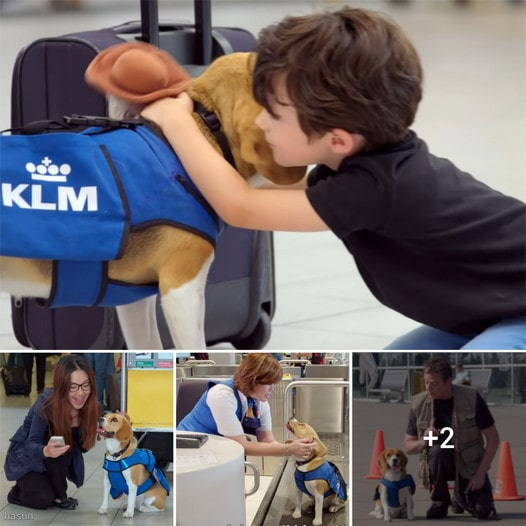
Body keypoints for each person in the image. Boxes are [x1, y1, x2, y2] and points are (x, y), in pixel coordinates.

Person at [140, 7, 526, 350]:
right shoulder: (366, 163)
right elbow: (262, 191)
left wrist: (176, 122)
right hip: (488, 310)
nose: (259, 122)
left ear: (336, 139)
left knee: (481, 373)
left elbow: (241, 206)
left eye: (272, 113)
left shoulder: (374, 189)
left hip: (516, 307)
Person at [402, 357, 500, 519]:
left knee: (482, 511)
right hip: (440, 463)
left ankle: (459, 497)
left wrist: (480, 474)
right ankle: (440, 501)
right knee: (438, 451)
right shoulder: (419, 404)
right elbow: (407, 446)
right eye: (426, 383)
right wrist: (424, 440)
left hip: (469, 465)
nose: (429, 388)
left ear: (449, 381)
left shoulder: (471, 398)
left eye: (434, 383)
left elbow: (493, 439)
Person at [5, 354, 102, 510]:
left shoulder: (92, 406)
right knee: (43, 499)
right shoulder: (46, 403)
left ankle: (58, 493)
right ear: (62, 386)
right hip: (29, 458)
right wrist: (45, 450)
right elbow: (31, 444)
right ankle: (16, 492)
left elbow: (83, 447)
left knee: (63, 443)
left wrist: (107, 428)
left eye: (86, 385)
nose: (80, 393)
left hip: (55, 461)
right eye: (73, 386)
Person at [177, 353, 316, 458]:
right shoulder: (222, 395)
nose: (272, 389)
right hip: (189, 448)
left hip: (217, 449)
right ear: (252, 379)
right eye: (268, 383)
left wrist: (296, 448)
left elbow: (267, 440)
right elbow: (241, 446)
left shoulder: (259, 402)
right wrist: (289, 450)